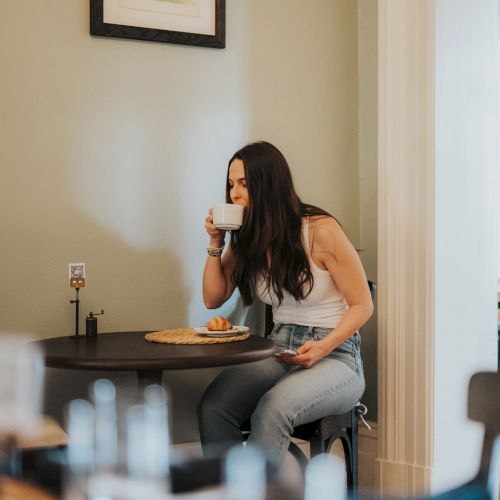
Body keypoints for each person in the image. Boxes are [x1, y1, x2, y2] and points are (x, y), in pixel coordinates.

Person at [198, 141, 373, 466]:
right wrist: (215, 243)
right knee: (214, 405)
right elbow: (212, 298)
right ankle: (227, 491)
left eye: (244, 184)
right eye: (231, 184)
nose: (234, 194)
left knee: (273, 407)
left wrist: (322, 347)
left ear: (268, 185)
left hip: (337, 355)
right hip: (279, 348)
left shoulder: (320, 230)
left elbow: (363, 305)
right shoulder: (250, 238)